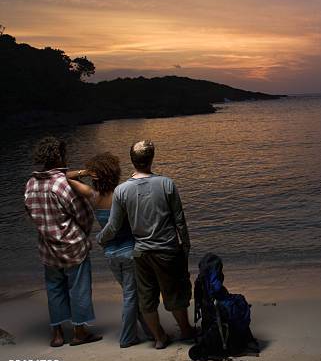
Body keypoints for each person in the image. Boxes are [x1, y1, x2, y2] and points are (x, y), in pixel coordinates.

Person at [97, 140, 194, 349]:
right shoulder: (167, 183)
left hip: (140, 252)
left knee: (146, 299)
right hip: (167, 249)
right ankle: (185, 331)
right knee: (174, 294)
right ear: (152, 158)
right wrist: (185, 245)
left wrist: (100, 239)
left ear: (132, 160)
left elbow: (113, 226)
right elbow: (180, 220)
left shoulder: (122, 191)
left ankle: (159, 338)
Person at [67, 152, 153, 348]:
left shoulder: (92, 195)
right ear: (114, 173)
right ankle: (127, 338)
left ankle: (149, 331)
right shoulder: (122, 194)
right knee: (131, 295)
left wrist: (87, 172)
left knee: (132, 294)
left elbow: (66, 177)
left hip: (110, 254)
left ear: (97, 175)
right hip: (130, 252)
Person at [24, 136, 102, 347]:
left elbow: (31, 214)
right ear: (59, 155)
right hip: (73, 246)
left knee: (54, 289)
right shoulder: (62, 185)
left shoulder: (31, 184)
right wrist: (82, 234)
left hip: (48, 248)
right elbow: (84, 214)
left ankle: (57, 334)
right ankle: (79, 332)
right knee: (79, 288)